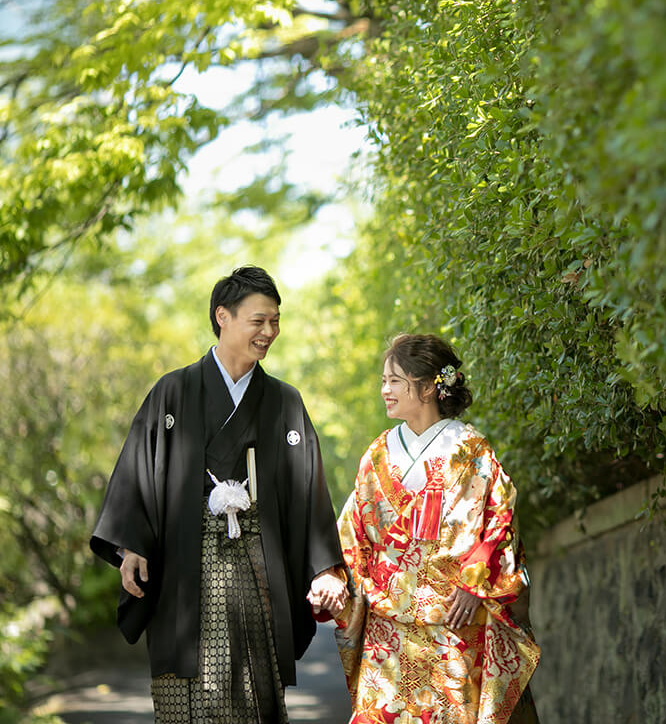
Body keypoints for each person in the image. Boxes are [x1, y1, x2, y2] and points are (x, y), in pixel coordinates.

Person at [90, 265, 348, 723]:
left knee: (255, 692)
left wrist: (325, 568)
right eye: (258, 321)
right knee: (185, 695)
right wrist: (131, 546)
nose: (269, 332)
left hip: (256, 567)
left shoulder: (284, 402)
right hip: (182, 570)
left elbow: (309, 490)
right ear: (222, 317)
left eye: (275, 321)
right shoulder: (173, 391)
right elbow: (139, 473)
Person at [333, 333, 540, 724]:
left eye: (394, 381)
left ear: (428, 387)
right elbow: (354, 527)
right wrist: (335, 578)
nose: (385, 390)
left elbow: (499, 516)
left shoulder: (469, 447)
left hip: (455, 616)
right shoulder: (377, 453)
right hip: (388, 618)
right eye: (383, 381)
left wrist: (474, 582)